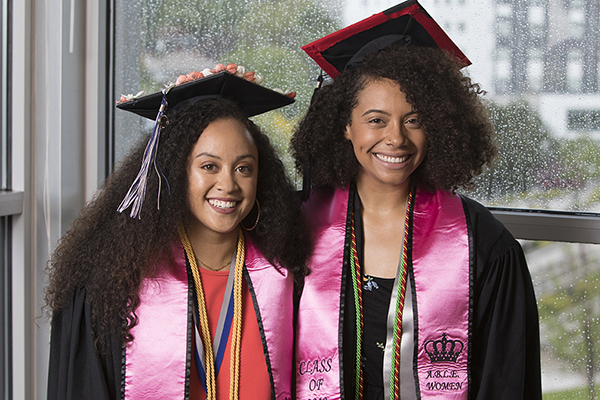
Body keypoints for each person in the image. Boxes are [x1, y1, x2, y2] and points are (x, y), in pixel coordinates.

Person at [291, 2, 542, 400]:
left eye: (414, 120)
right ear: (344, 125)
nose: (396, 139)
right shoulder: (293, 228)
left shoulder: (484, 247)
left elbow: (506, 382)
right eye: (376, 120)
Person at [45, 65, 310, 400]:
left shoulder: (289, 276)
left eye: (243, 168)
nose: (228, 185)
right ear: (174, 172)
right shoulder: (113, 288)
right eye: (209, 166)